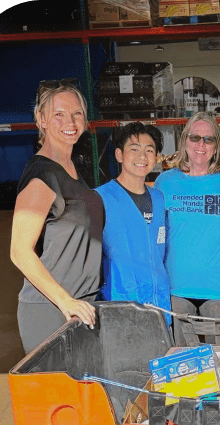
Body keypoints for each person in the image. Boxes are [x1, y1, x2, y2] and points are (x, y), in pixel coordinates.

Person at [11, 80, 103, 354]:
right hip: (52, 310)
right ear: (41, 119)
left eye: (77, 113)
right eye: (59, 114)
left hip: (80, 305)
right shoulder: (43, 176)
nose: (70, 121)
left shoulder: (70, 166)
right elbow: (19, 251)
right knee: (54, 396)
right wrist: (66, 302)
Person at [154, 112, 220, 345]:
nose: (201, 144)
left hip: (218, 288)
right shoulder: (165, 182)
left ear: (216, 146)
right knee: (183, 369)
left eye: (208, 139)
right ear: (184, 141)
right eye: (195, 137)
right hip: (176, 288)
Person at [95, 122, 171, 323]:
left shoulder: (158, 198)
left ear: (156, 157)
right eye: (134, 149)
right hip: (121, 307)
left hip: (159, 306)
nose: (142, 157)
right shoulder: (101, 199)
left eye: (149, 150)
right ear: (119, 155)